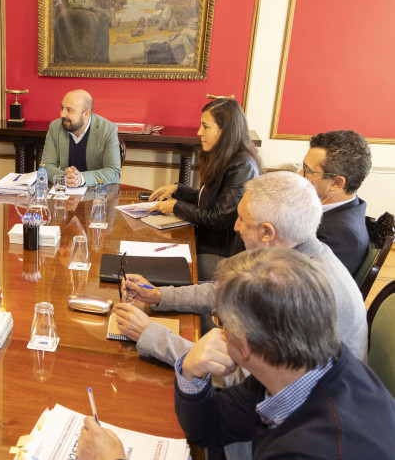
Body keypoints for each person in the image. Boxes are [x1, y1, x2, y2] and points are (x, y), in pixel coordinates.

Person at [78, 248, 395, 459]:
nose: (217, 329)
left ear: (244, 345)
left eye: (220, 321)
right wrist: (190, 372)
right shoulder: (297, 367)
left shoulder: (313, 449)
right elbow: (208, 429)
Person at [116, 171, 367, 366]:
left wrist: (150, 335)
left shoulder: (294, 291)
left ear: (267, 232)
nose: (236, 227)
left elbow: (234, 374)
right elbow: (227, 292)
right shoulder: (296, 249)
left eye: (242, 219)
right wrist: (160, 295)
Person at [148, 98, 262, 280]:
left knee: (160, 263)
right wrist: (177, 190)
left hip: (223, 255)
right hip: (207, 242)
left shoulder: (242, 167)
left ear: (225, 131)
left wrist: (176, 207)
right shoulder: (227, 158)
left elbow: (219, 219)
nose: (199, 132)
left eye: (205, 126)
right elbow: (210, 198)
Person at [300, 130, 371, 275]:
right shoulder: (343, 209)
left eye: (308, 171)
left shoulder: (340, 235)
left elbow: (298, 285)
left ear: (337, 183)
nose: (300, 174)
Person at [42, 89, 121, 188]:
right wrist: (64, 177)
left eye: (69, 110)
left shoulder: (107, 129)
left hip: (96, 193)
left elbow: (113, 171)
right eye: (62, 108)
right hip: (66, 194)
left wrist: (81, 178)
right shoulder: (55, 127)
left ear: (86, 114)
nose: (62, 114)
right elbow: (46, 166)